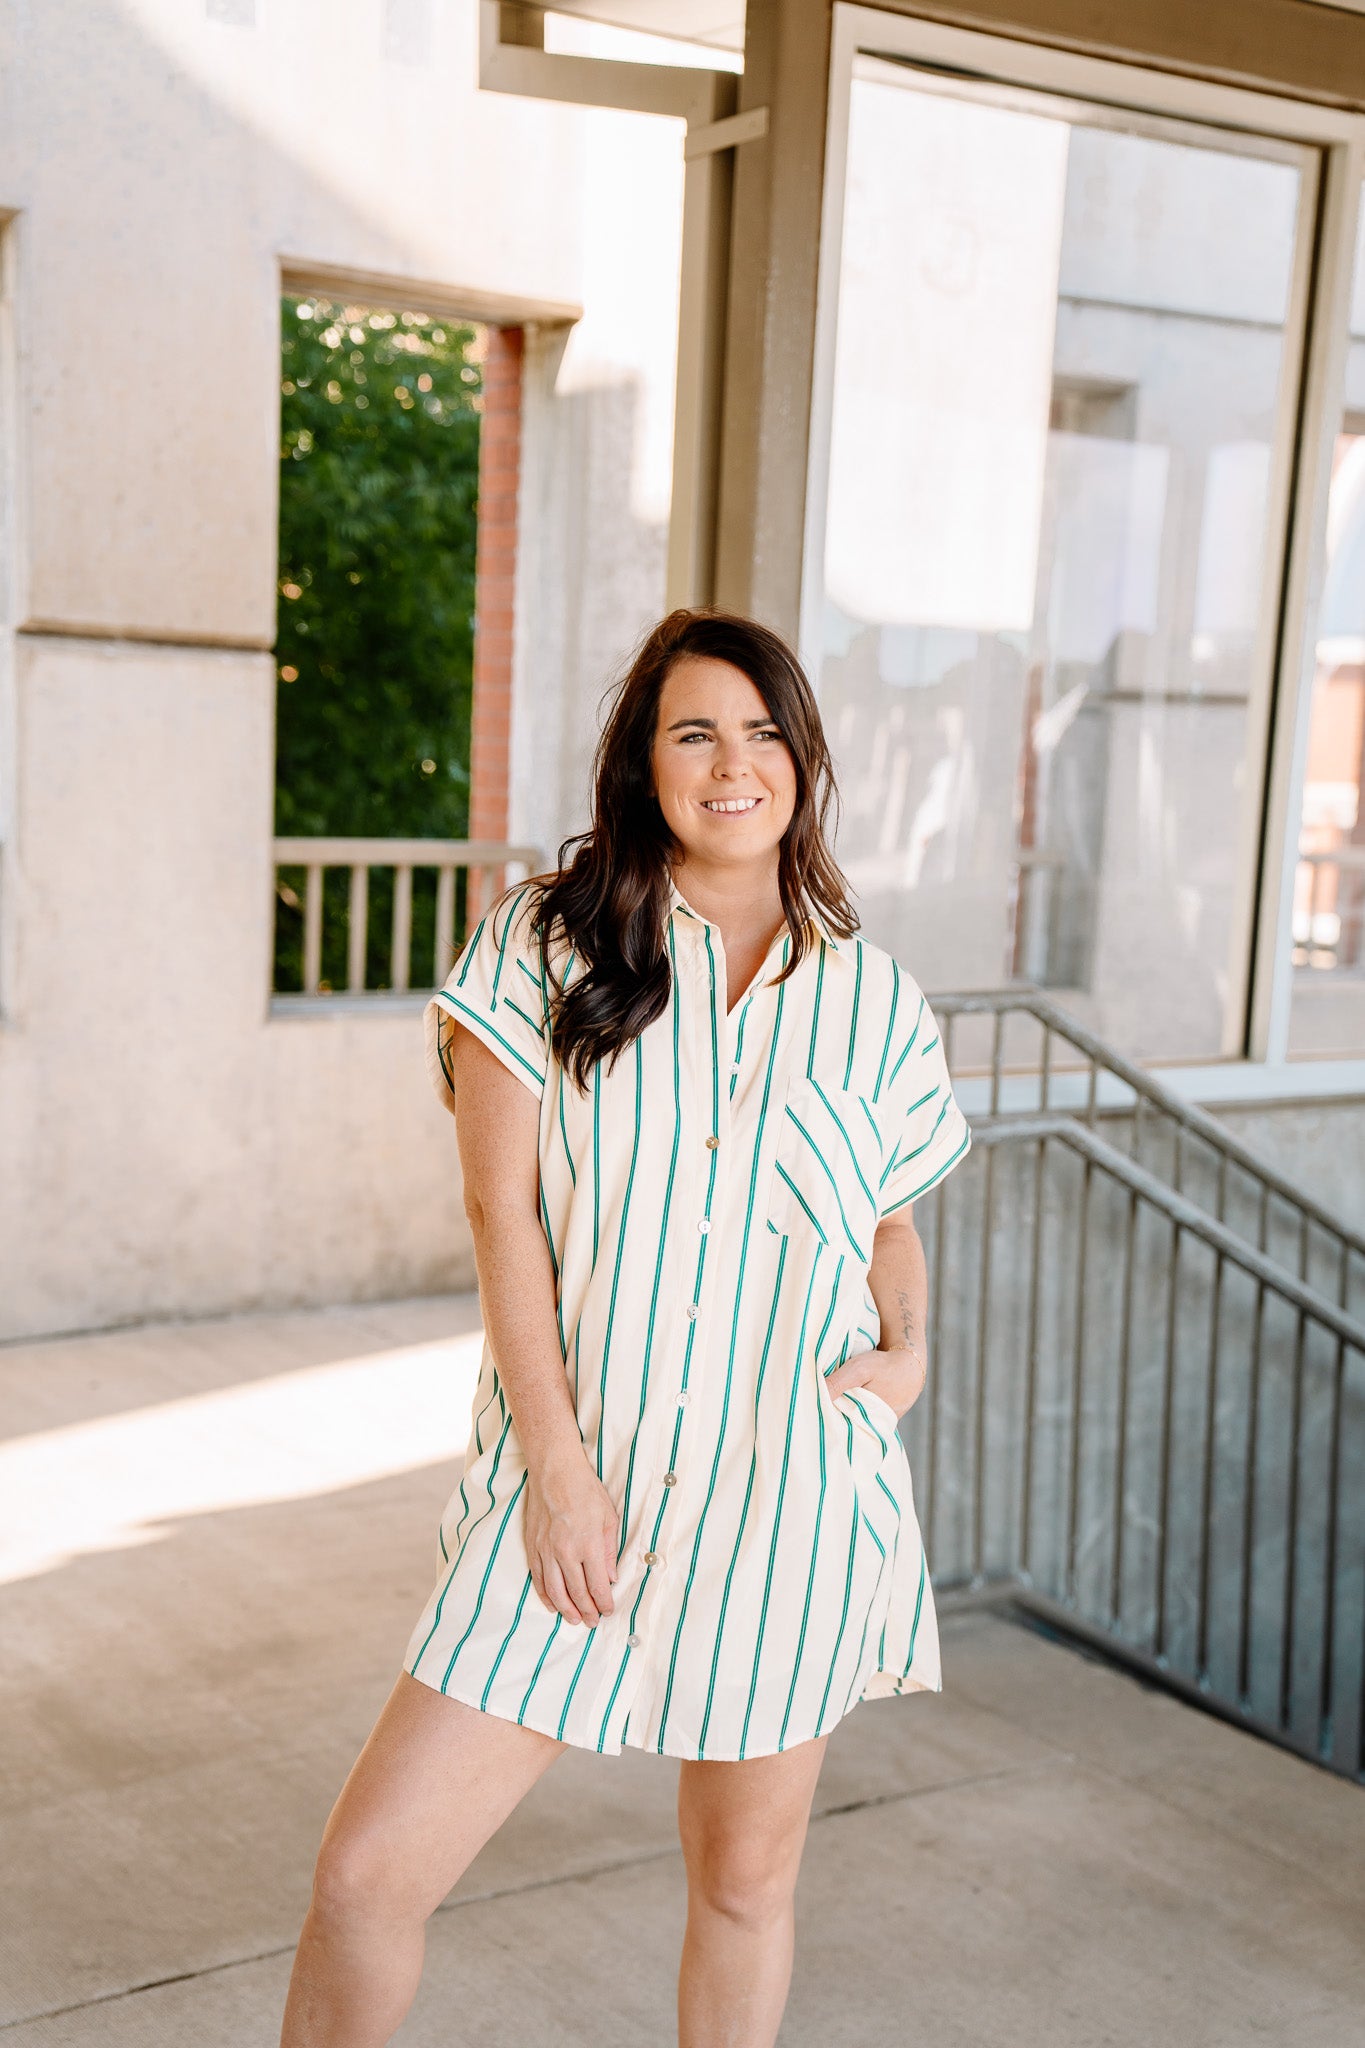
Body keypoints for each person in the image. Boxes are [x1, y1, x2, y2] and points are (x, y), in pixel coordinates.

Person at [279, 606, 972, 2048]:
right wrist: (555, 1468)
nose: (735, 763)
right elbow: (501, 1221)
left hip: (784, 1502)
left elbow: (895, 1217)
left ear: (804, 759)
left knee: (741, 1885)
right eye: (694, 732)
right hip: (570, 1491)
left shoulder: (876, 1003)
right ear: (643, 764)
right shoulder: (542, 945)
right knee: (365, 1877)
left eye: (764, 731)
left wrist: (904, 1356)